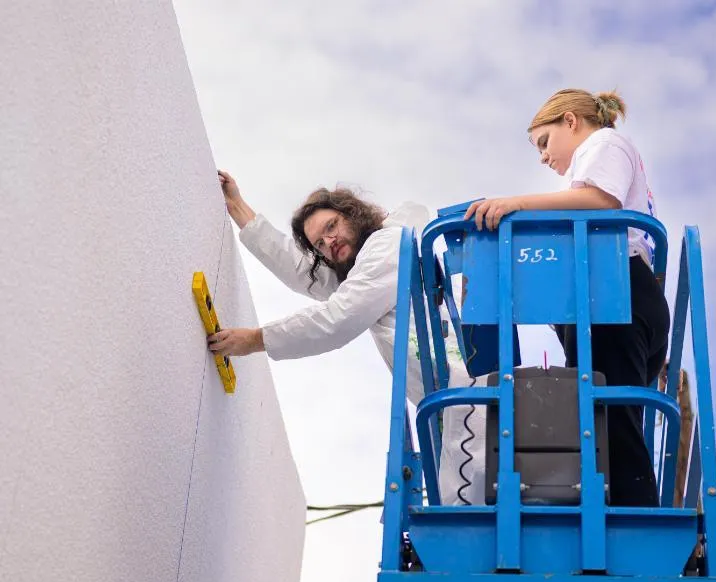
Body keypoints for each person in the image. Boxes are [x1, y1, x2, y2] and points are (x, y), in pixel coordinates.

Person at [209, 171, 485, 506]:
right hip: (451, 403)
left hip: (465, 401)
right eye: (319, 245)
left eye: (331, 226)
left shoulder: (386, 245)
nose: (329, 242)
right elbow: (303, 273)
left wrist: (255, 340)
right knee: (469, 518)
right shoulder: (369, 263)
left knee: (470, 522)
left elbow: (339, 317)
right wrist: (237, 206)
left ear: (352, 214)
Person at [463, 89, 670, 507]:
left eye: (544, 141)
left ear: (571, 122)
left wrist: (513, 205)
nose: (543, 157)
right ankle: (621, 512)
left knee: (609, 419)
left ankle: (632, 521)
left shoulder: (604, 143)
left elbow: (599, 201)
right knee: (604, 414)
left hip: (614, 292)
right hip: (617, 293)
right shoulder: (600, 155)